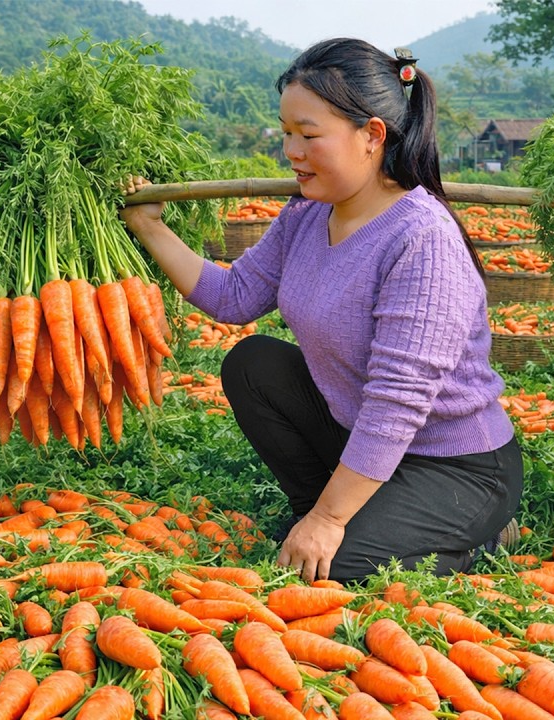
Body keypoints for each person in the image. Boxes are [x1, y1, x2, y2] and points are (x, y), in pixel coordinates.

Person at [119, 38, 523, 583]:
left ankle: (470, 532)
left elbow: (396, 404)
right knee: (254, 364)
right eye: (287, 133)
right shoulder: (308, 213)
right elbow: (234, 296)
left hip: (451, 463)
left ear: (372, 136)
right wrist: (149, 226)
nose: (292, 151)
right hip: (364, 439)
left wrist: (333, 520)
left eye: (309, 136)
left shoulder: (422, 239)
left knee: (341, 569)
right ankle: (319, 513)